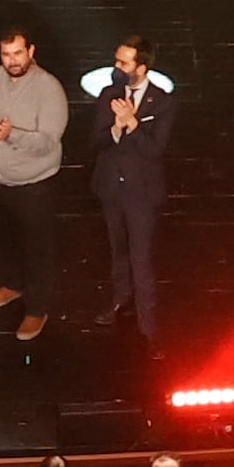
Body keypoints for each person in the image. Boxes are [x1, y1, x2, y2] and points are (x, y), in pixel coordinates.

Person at [0, 26, 72, 337]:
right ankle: (14, 284)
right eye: (6, 55)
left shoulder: (49, 88)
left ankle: (37, 309)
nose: (12, 61)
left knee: (37, 249)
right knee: (5, 239)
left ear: (31, 51)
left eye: (18, 53)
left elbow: (49, 142)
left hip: (33, 186)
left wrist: (12, 135)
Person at [79, 36, 175, 338]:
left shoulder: (162, 102)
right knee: (118, 249)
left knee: (140, 257)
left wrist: (133, 125)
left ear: (142, 66)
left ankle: (149, 325)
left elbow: (155, 149)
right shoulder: (109, 93)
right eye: (116, 60)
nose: (116, 67)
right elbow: (94, 141)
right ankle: (120, 299)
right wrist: (116, 128)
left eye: (123, 62)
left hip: (141, 193)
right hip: (111, 187)